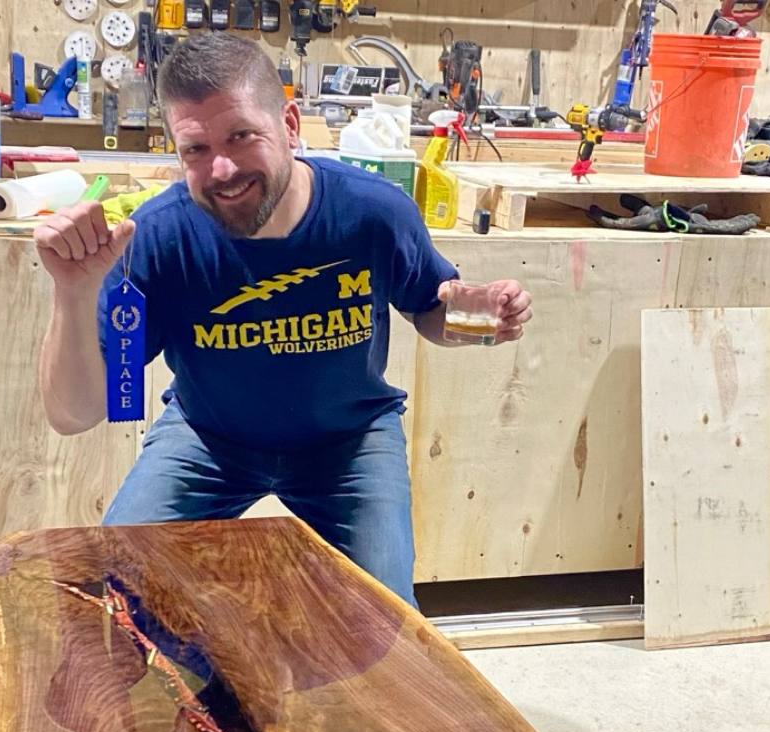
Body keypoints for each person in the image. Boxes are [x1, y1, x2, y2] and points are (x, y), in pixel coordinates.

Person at [34, 34, 532, 607]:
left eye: (242, 135)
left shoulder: (373, 212)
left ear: (290, 125)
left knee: (386, 623)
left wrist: (478, 317)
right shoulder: (159, 239)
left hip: (349, 443)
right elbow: (75, 414)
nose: (221, 168)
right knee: (115, 598)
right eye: (195, 149)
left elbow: (429, 308)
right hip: (208, 439)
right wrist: (72, 293)